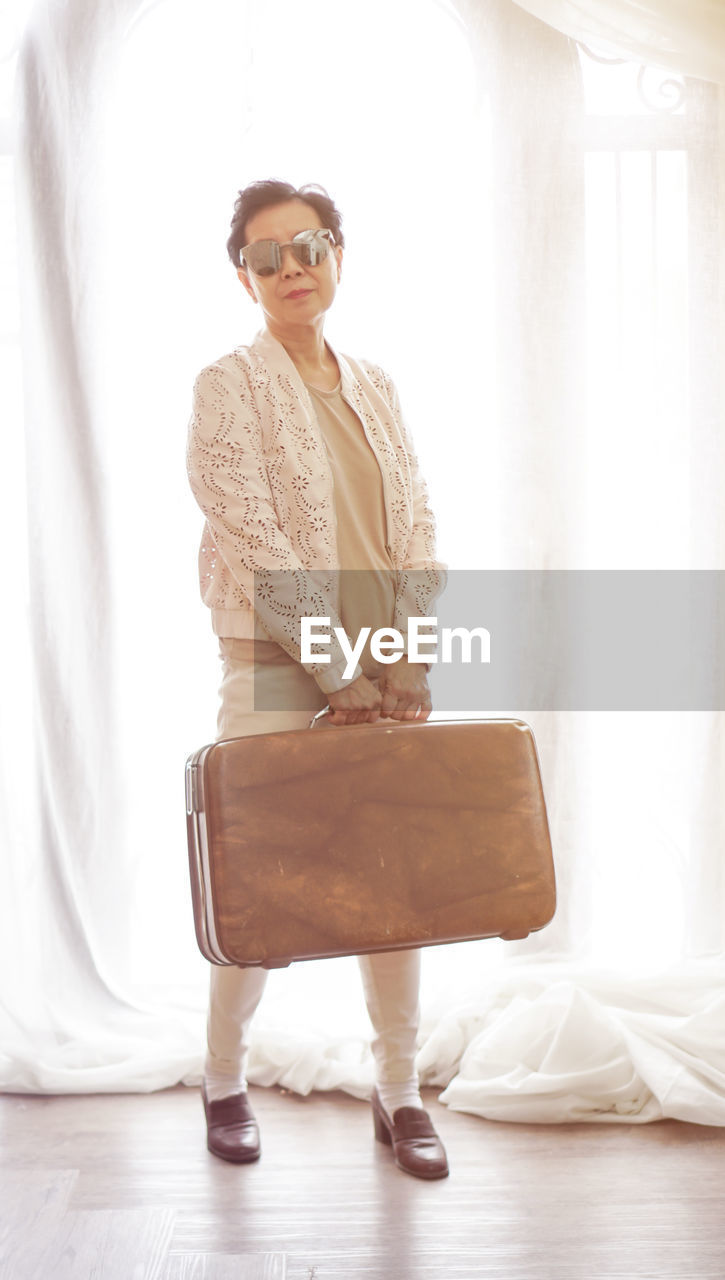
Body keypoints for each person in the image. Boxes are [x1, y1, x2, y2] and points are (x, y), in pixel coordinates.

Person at [186, 179, 449, 1179]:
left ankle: (400, 1090)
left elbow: (417, 521)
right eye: (266, 255)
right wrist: (335, 669)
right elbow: (249, 536)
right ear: (243, 275)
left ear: (337, 253)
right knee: (259, 884)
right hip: (272, 666)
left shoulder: (375, 382)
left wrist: (405, 652)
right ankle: (221, 1080)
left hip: (383, 673)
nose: (292, 266)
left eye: (309, 245)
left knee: (399, 888)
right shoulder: (228, 385)